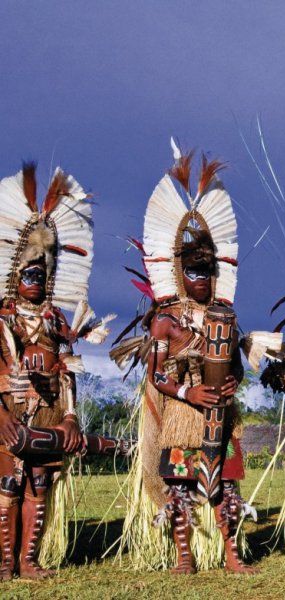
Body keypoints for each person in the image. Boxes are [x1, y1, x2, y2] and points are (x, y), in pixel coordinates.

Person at [111, 148, 276, 574]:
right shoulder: (165, 321)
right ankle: (184, 556)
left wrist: (231, 383)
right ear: (180, 272)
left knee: (225, 486)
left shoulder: (226, 316)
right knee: (181, 487)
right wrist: (189, 391)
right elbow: (155, 375)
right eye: (193, 272)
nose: (201, 280)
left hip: (220, 416)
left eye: (207, 271)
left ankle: (233, 555)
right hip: (183, 416)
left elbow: (236, 365)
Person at [0, 163, 108, 579]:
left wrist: (70, 417)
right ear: (14, 275)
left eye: (42, 274)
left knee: (39, 488)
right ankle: (5, 561)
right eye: (28, 274)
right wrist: (4, 415)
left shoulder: (57, 322)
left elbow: (68, 373)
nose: (36, 281)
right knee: (7, 487)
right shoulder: (4, 321)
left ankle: (28, 560)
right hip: (11, 419)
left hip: (47, 420)